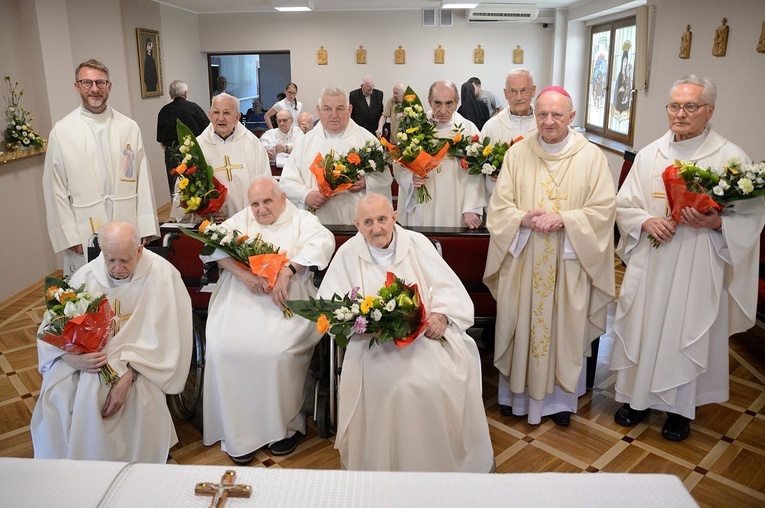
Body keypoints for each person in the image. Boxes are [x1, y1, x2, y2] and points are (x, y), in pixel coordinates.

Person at [609, 75, 765, 441]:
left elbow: (751, 217)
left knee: (687, 328)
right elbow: (624, 203)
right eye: (674, 106)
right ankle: (637, 398)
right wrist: (645, 221)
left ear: (709, 111)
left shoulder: (729, 158)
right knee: (643, 324)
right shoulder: (650, 154)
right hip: (652, 260)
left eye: (690, 106)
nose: (680, 114)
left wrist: (715, 223)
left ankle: (680, 409)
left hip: (698, 261)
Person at [317, 193, 494, 472]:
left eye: (382, 219)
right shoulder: (347, 254)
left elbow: (448, 287)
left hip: (426, 336)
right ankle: (390, 464)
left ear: (395, 217)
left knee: (437, 382)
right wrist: (362, 323)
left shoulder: (418, 244)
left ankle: (440, 464)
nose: (377, 228)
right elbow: (330, 305)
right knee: (396, 388)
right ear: (356, 225)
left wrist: (442, 315)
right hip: (373, 344)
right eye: (368, 222)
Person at [483, 86, 616, 426]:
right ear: (534, 115)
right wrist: (522, 219)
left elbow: (603, 211)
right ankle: (516, 397)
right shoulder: (518, 154)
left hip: (569, 262)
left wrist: (566, 219)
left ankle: (558, 403)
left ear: (571, 117)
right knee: (520, 321)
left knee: (564, 329)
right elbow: (500, 208)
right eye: (542, 114)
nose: (549, 121)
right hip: (524, 257)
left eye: (557, 114)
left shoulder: (591, 157)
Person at [31, 221, 192, 463]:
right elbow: (52, 327)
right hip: (87, 358)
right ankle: (70, 461)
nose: (117, 269)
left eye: (125, 260)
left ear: (139, 250)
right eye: (110, 260)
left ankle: (116, 461)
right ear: (101, 251)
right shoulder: (87, 274)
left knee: (102, 392)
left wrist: (130, 373)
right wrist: (72, 358)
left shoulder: (163, 275)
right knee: (59, 392)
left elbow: (170, 338)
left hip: (140, 363)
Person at [203, 177, 335, 464]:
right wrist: (244, 276)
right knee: (221, 348)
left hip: (287, 299)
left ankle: (284, 427)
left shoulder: (301, 219)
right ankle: (236, 431)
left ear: (283, 198)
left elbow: (324, 242)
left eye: (267, 201)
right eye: (255, 203)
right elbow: (211, 246)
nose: (261, 209)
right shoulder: (243, 219)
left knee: (275, 353)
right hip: (240, 297)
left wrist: (288, 270)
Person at [43, 59, 159, 276]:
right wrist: (68, 235)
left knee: (130, 286)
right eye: (87, 83)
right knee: (90, 291)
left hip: (126, 222)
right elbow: (55, 188)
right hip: (83, 228)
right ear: (77, 86)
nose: (94, 89)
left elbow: (143, 181)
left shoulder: (129, 127)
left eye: (100, 83)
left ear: (109, 86)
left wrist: (146, 226)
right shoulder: (62, 131)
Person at [280, 86, 392, 225]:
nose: (334, 114)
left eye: (340, 108)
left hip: (357, 222)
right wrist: (306, 195)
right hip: (315, 223)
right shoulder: (304, 142)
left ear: (349, 110)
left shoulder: (366, 141)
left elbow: (384, 178)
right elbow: (287, 181)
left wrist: (366, 184)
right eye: (327, 108)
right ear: (319, 110)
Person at [393, 81, 485, 229]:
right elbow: (399, 162)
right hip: (424, 203)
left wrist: (471, 208)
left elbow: (477, 174)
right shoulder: (415, 126)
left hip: (456, 204)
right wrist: (411, 179)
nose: (443, 110)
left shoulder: (468, 129)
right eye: (437, 103)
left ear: (457, 102)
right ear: (429, 101)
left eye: (449, 103)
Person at [186, 93, 270, 219]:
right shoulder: (197, 147)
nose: (220, 118)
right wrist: (203, 211)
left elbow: (265, 182)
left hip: (248, 220)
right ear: (209, 115)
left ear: (237, 117)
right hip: (211, 222)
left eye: (226, 113)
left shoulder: (252, 144)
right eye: (216, 112)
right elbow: (186, 187)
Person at [480, 69, 538, 197]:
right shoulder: (492, 127)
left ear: (533, 91)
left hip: (536, 200)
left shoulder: (543, 125)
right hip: (500, 202)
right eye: (513, 91)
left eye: (524, 90)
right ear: (505, 93)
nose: (518, 97)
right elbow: (479, 170)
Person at [156, 80, 211, 195]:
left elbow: (161, 140)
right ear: (186, 93)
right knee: (196, 185)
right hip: (194, 152)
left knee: (175, 187)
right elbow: (208, 130)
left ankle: (176, 210)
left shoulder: (164, 111)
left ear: (170, 95)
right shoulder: (194, 108)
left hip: (172, 154)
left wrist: (172, 151)